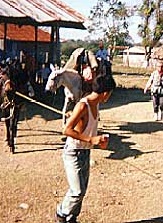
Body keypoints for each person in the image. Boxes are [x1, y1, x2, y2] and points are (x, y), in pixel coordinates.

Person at [55, 73, 116, 223]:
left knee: (82, 191)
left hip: (85, 152)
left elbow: (88, 130)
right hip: (73, 153)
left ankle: (71, 218)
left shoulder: (96, 104)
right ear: (106, 93)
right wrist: (90, 139)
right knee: (77, 191)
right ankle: (61, 214)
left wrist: (98, 140)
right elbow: (66, 130)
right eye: (111, 93)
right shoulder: (83, 105)